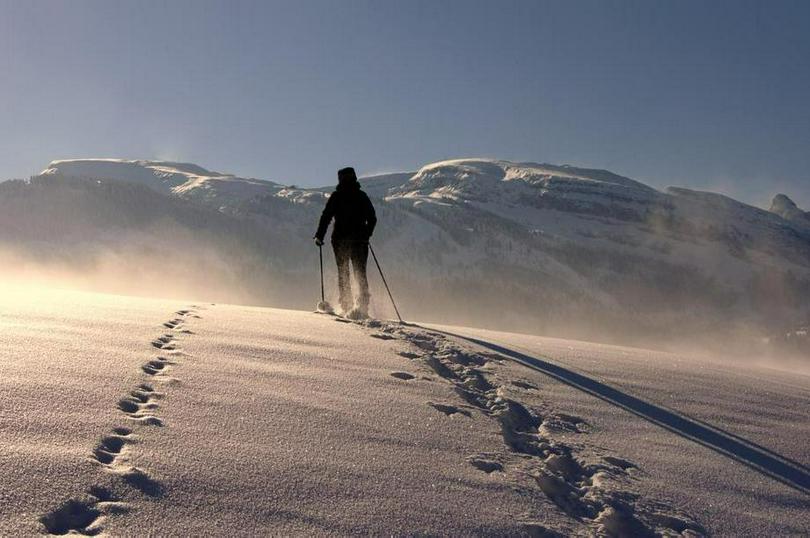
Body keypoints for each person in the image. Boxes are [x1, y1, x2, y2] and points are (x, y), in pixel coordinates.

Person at [314, 167, 377, 317]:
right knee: (360, 272)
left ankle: (347, 305)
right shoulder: (361, 196)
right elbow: (372, 218)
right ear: (354, 178)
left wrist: (319, 236)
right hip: (359, 241)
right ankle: (362, 307)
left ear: (340, 179)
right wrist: (366, 234)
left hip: (340, 240)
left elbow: (326, 216)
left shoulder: (337, 196)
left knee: (343, 272)